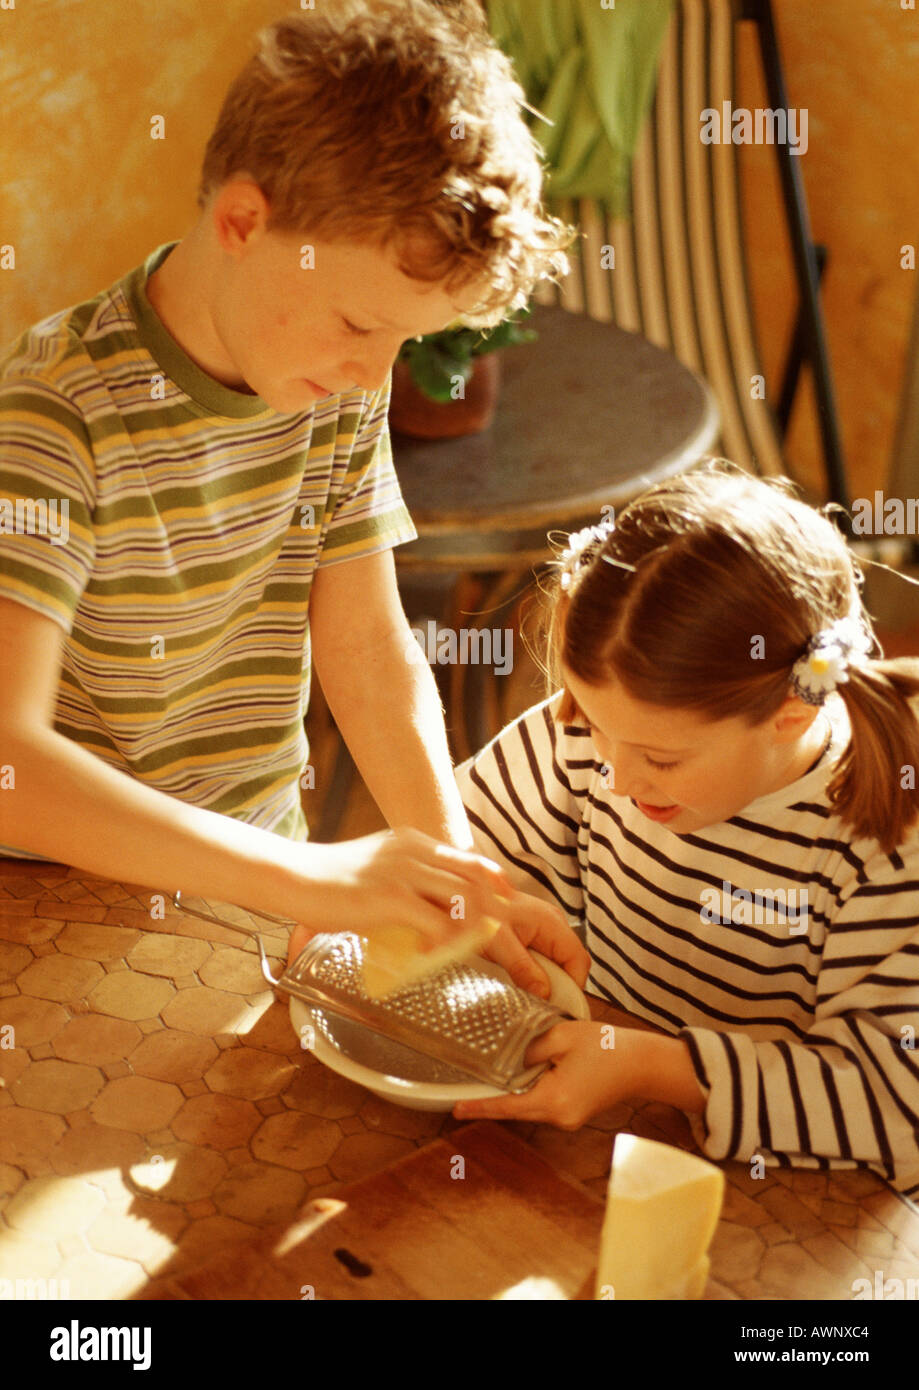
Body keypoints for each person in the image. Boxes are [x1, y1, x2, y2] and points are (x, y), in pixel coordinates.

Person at [0, 0, 582, 993]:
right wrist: (311, 875)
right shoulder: (54, 415)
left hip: (257, 893)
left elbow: (365, 643)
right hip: (62, 911)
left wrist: (451, 875)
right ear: (242, 220)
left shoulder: (322, 392)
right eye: (360, 321)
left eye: (404, 342)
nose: (373, 375)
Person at [453, 460, 919, 1195]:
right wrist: (435, 908)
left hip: (785, 1196)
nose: (616, 776)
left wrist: (651, 1066)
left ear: (790, 714)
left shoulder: (884, 840)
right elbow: (470, 853)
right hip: (609, 1143)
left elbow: (894, 1107)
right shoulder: (597, 732)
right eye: (594, 725)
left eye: (662, 760)